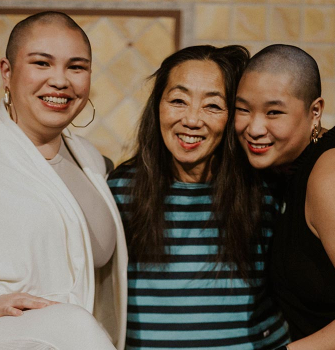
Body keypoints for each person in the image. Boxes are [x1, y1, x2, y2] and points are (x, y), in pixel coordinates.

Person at [108, 45, 290, 350]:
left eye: (213, 106)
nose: (192, 120)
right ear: (157, 107)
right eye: (178, 101)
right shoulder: (119, 191)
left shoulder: (264, 191)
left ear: (235, 115)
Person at [0, 11, 127, 350]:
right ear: (7, 71)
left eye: (76, 67)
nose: (60, 80)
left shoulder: (91, 160)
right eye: (42, 63)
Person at [234, 44, 335, 349]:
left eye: (274, 112)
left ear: (315, 112)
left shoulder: (334, 173)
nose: (254, 127)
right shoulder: (288, 169)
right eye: (243, 109)